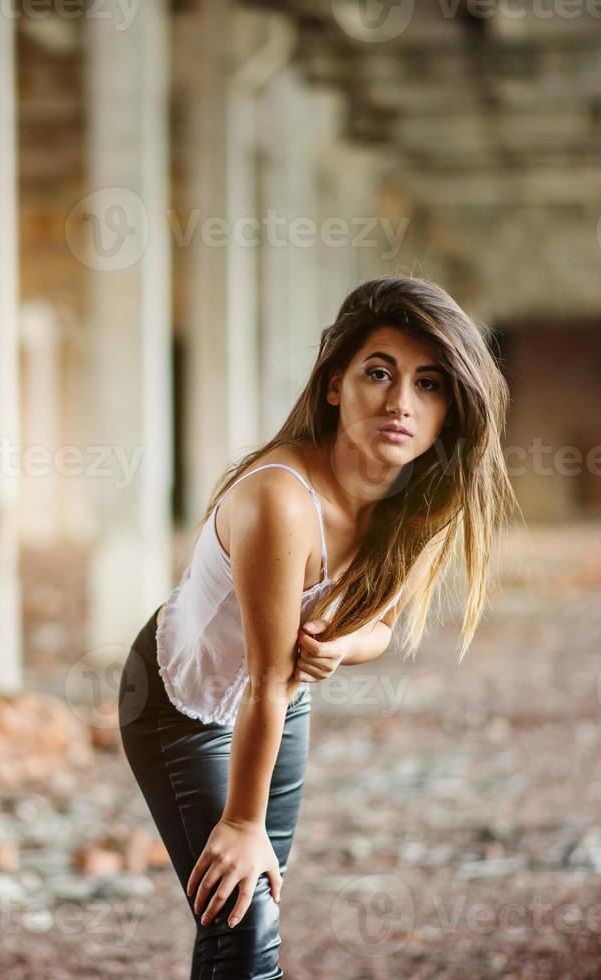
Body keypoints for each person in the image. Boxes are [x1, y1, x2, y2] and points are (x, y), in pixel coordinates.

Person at [117, 275, 520, 977]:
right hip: (180, 700)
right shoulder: (282, 500)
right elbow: (266, 678)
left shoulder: (411, 497)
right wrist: (241, 824)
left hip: (274, 707)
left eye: (428, 385)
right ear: (335, 386)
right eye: (378, 374)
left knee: (245, 907)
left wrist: (338, 642)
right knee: (243, 918)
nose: (400, 402)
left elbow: (382, 628)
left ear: (448, 412)